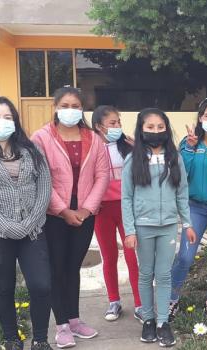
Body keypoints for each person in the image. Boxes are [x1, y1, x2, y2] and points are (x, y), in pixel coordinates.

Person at [0, 97, 52, 350]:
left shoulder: (32, 150)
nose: (1, 122)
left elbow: (44, 188)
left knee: (41, 285)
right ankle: (11, 338)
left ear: (14, 121)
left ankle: (40, 339)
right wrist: (9, 227)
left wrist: (30, 222)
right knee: (4, 288)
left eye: (7, 117)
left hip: (33, 230)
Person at [31, 87, 109, 349]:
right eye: (65, 105)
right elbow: (41, 179)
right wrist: (63, 210)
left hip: (85, 215)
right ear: (55, 107)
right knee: (57, 268)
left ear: (82, 109)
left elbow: (102, 175)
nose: (70, 110)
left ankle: (75, 320)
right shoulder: (41, 138)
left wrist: (86, 209)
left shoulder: (93, 139)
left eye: (75, 106)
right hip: (54, 216)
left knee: (73, 266)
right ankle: (62, 325)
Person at [121, 108, 197, 346]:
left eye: (160, 127)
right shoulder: (133, 160)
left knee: (164, 275)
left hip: (167, 227)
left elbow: (182, 193)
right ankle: (148, 320)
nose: (155, 131)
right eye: (150, 127)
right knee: (146, 274)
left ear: (166, 129)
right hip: (142, 228)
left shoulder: (175, 158)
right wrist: (130, 230)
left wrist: (188, 224)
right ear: (141, 130)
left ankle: (163, 322)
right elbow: (126, 198)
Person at [170, 98, 207, 320]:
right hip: (194, 207)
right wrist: (190, 148)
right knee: (185, 255)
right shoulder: (188, 142)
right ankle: (172, 299)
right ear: (200, 118)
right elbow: (183, 174)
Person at [91, 105, 142, 322]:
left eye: (119, 122)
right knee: (109, 256)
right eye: (112, 123)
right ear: (98, 126)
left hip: (126, 208)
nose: (117, 126)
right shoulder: (91, 148)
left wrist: (138, 147)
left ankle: (140, 303)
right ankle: (114, 301)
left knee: (132, 256)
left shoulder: (128, 146)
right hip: (102, 210)